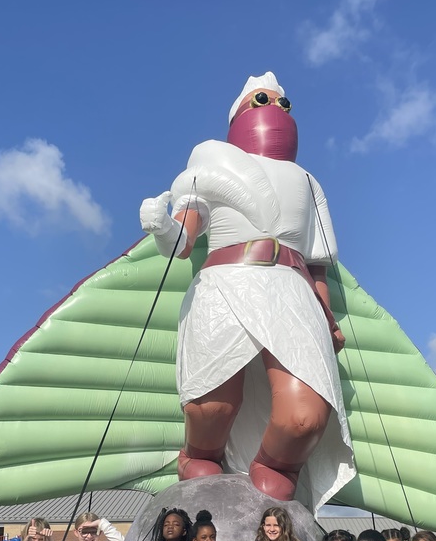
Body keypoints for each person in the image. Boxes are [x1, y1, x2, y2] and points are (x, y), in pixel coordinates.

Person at [139, 71, 354, 509]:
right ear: (240, 113)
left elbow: (317, 261)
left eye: (282, 103)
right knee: (211, 408)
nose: (276, 109)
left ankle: (277, 469)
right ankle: (198, 455)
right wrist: (162, 226)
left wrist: (328, 315)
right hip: (223, 284)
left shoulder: (307, 181)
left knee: (304, 418)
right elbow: (183, 242)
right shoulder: (210, 163)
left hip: (290, 288)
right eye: (262, 100)